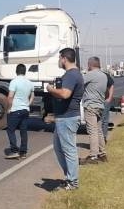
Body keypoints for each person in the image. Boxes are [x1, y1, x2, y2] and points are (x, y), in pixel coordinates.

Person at [46, 48, 84, 191]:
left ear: (64, 59)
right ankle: (69, 177)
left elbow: (65, 94)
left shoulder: (71, 74)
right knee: (59, 148)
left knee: (69, 150)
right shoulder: (72, 74)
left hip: (68, 118)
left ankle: (72, 182)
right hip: (64, 117)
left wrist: (50, 89)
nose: (58, 61)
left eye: (59, 58)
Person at [81, 57, 108, 165]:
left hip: (91, 106)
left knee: (92, 131)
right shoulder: (104, 75)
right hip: (100, 106)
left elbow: (79, 82)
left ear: (90, 64)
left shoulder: (91, 74)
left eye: (88, 64)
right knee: (99, 130)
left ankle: (93, 156)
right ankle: (102, 154)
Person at [5, 64, 34, 160]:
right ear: (25, 72)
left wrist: (9, 108)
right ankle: (23, 152)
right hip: (25, 110)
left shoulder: (14, 82)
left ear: (16, 71)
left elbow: (10, 97)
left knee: (10, 130)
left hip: (15, 109)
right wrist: (28, 104)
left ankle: (14, 151)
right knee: (23, 131)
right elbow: (32, 96)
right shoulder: (30, 83)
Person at [101, 71, 115, 145]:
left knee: (104, 120)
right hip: (95, 102)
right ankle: (99, 139)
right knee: (98, 121)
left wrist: (109, 98)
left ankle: (103, 138)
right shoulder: (90, 75)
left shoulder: (105, 75)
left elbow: (111, 85)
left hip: (105, 100)